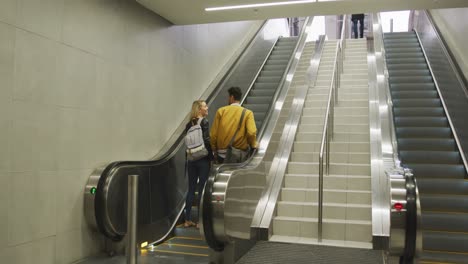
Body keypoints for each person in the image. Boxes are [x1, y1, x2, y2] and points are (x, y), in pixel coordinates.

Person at [184, 100, 213, 228]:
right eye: (205, 106)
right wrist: (212, 156)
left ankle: (187, 219)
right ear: (199, 109)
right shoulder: (204, 122)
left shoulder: (189, 124)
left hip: (191, 159)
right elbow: (206, 140)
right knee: (201, 188)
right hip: (202, 159)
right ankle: (200, 222)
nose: (207, 108)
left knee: (191, 189)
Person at [210, 87, 258, 164]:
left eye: (228, 97)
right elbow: (251, 132)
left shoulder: (221, 111)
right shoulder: (248, 113)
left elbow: (213, 134)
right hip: (238, 154)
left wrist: (214, 148)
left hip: (221, 154)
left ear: (232, 97)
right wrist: (253, 144)